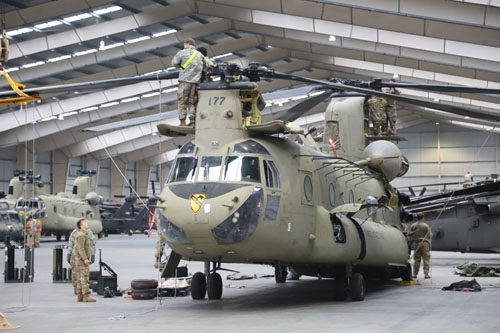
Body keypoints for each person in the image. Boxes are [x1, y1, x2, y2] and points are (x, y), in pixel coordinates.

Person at [171, 38, 204, 127]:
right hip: (195, 82)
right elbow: (204, 67)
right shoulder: (200, 54)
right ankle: (193, 122)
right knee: (192, 102)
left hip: (185, 81)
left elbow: (174, 63)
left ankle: (182, 122)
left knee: (182, 101)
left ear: (186, 44)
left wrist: (181, 68)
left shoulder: (182, 52)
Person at [67, 225, 96, 295]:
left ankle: (84, 290)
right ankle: (77, 289)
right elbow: (70, 244)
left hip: (84, 255)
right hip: (75, 255)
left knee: (85, 273)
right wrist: (69, 254)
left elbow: (92, 244)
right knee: (75, 273)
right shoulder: (74, 232)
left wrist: (92, 254)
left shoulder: (88, 232)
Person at [408, 213, 433, 279]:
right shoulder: (426, 225)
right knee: (426, 259)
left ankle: (415, 274)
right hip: (425, 243)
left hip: (416, 243)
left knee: (416, 260)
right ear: (422, 218)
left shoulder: (413, 225)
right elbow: (430, 235)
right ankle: (426, 274)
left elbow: (410, 234)